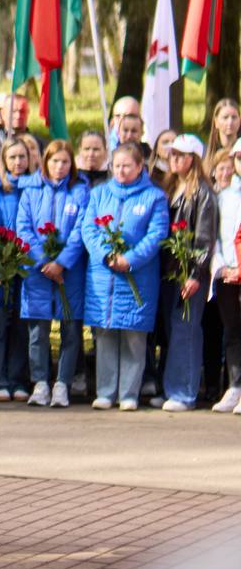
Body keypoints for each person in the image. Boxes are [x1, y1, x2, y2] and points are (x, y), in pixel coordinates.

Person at [81, 143, 169, 411]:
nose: (121, 171)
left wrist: (130, 259)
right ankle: (106, 392)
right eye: (117, 165)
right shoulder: (99, 193)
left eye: (127, 166)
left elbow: (156, 234)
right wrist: (107, 255)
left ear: (140, 167)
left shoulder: (154, 197)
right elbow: (89, 229)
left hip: (138, 275)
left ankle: (129, 393)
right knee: (105, 332)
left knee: (134, 335)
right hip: (103, 274)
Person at [16, 140, 89, 408]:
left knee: (70, 329)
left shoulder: (80, 191)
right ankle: (40, 382)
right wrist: (44, 262)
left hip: (70, 272)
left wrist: (62, 262)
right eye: (55, 161)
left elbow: (80, 229)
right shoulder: (31, 191)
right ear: (45, 162)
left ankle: (62, 384)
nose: (59, 166)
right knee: (38, 331)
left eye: (65, 162)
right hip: (38, 272)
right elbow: (23, 228)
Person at [158, 135, 218, 411]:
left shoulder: (203, 193)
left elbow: (204, 238)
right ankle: (171, 387)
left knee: (186, 328)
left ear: (194, 158)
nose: (175, 159)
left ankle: (184, 392)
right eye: (173, 154)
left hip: (190, 272)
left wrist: (195, 273)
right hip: (170, 270)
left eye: (181, 155)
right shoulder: (171, 188)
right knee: (172, 328)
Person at [0, 138, 31, 402]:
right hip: (2, 265)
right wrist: (3, 258)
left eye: (22, 156)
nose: (18, 162)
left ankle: (18, 379)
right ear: (3, 160)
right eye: (12, 157)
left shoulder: (34, 187)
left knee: (21, 324)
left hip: (27, 265)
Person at [210, 140, 241, 413]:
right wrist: (223, 267)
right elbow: (215, 236)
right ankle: (235, 386)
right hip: (228, 273)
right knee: (232, 331)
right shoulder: (222, 196)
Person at [206, 98, 241, 166]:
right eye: (225, 117)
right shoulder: (204, 153)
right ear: (216, 121)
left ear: (240, 121)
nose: (230, 122)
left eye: (234, 117)